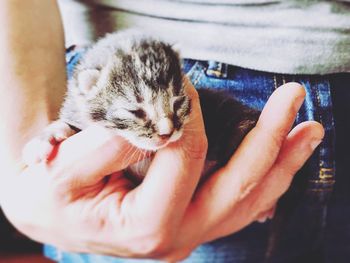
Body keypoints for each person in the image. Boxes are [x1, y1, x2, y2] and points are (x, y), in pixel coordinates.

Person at [0, 0, 348, 262]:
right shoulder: (98, 94)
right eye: (139, 113)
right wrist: (24, 156)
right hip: (133, 75)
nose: (166, 129)